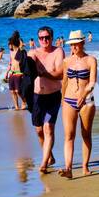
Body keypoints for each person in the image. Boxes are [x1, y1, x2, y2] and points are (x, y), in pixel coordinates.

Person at [27, 26, 65, 174]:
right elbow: (28, 63)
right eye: (42, 38)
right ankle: (50, 156)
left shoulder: (58, 51)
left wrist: (43, 73)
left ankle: (43, 164)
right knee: (39, 131)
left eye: (47, 37)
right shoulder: (33, 52)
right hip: (36, 97)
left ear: (52, 37)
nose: (44, 40)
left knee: (48, 127)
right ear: (38, 39)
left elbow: (60, 74)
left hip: (53, 96)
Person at [60, 30, 97, 178]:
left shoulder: (91, 60)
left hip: (87, 101)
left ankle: (85, 166)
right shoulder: (67, 61)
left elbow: (93, 82)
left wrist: (84, 93)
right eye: (71, 45)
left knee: (86, 134)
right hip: (69, 100)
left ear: (82, 43)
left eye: (76, 44)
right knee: (69, 135)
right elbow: (64, 81)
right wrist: (62, 99)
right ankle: (68, 168)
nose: (73, 47)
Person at [3, 32, 26, 110]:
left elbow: (21, 45)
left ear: (13, 44)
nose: (9, 46)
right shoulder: (11, 52)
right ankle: (16, 106)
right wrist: (6, 73)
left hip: (19, 73)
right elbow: (10, 63)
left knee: (18, 91)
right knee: (12, 91)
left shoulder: (19, 51)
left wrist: (17, 38)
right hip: (12, 73)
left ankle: (24, 101)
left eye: (10, 44)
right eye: (8, 44)